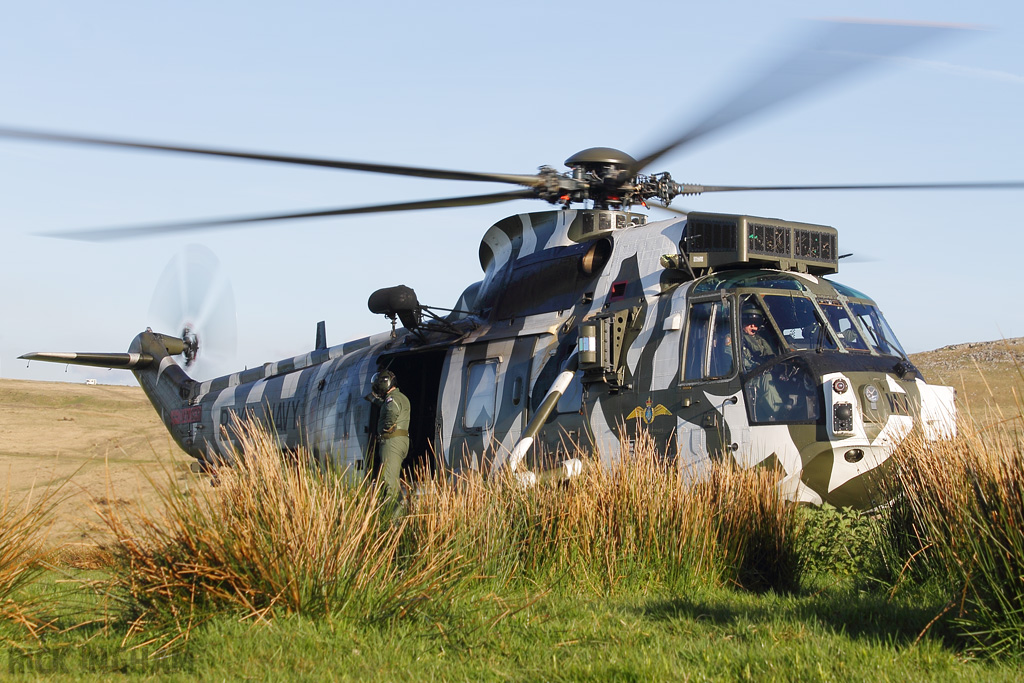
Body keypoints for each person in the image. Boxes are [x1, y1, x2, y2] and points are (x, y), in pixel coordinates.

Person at [364, 369, 410, 508]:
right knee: (392, 478)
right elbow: (389, 406)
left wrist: (387, 427)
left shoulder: (393, 399)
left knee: (388, 481)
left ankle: (391, 518)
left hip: (391, 442)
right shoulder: (398, 397)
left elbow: (392, 410)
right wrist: (376, 401)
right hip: (399, 441)